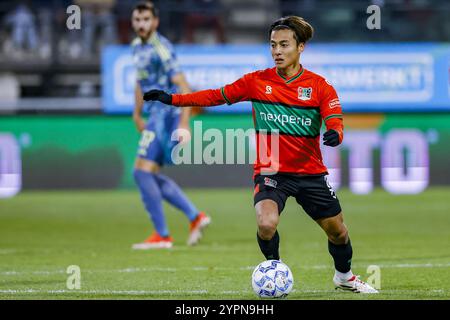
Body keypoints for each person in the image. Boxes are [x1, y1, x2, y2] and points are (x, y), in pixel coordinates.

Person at [143, 16, 378, 293]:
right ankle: (274, 271)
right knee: (266, 224)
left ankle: (344, 276)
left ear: (300, 47)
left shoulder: (319, 86)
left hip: (309, 172)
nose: (277, 51)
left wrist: (336, 133)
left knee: (338, 231)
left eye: (284, 45)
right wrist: (173, 99)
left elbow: (334, 117)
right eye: (272, 45)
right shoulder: (257, 82)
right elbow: (216, 96)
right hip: (271, 171)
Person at [130, 2, 210, 250]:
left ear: (155, 22)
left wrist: (184, 124)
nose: (141, 24)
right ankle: (195, 216)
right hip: (153, 116)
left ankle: (162, 235)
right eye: (137, 19)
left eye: (146, 19)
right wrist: (136, 113)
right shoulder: (136, 47)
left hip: (167, 117)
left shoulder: (162, 49)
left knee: (141, 172)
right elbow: (140, 82)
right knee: (148, 173)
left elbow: (185, 88)